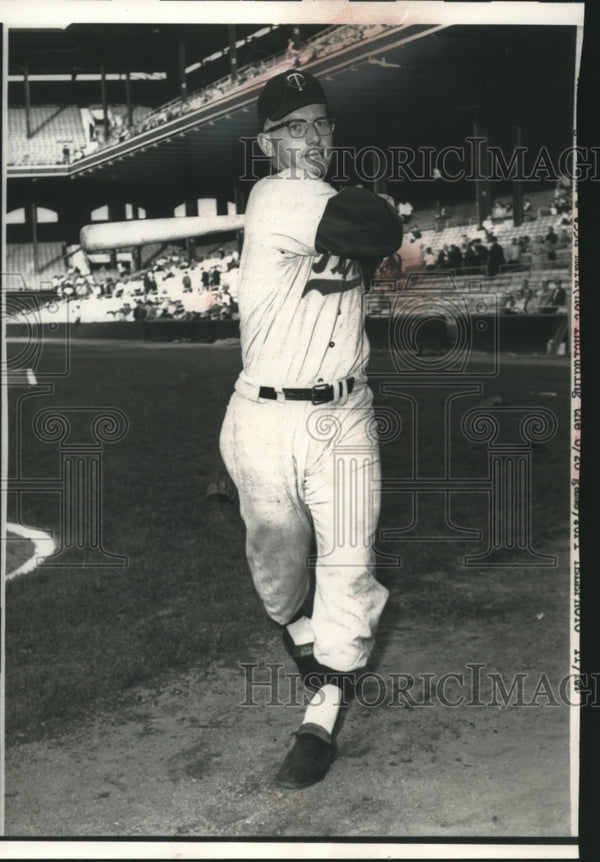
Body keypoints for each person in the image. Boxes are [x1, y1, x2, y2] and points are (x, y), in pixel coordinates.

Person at [219, 69, 403, 789]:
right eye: (297, 127)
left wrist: (377, 212)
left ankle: (322, 712)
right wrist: (381, 207)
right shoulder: (274, 196)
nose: (315, 138)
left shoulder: (320, 196)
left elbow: (372, 228)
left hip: (344, 412)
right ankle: (297, 631)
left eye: (322, 123)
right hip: (263, 418)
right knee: (277, 564)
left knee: (349, 563)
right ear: (267, 144)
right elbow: (374, 226)